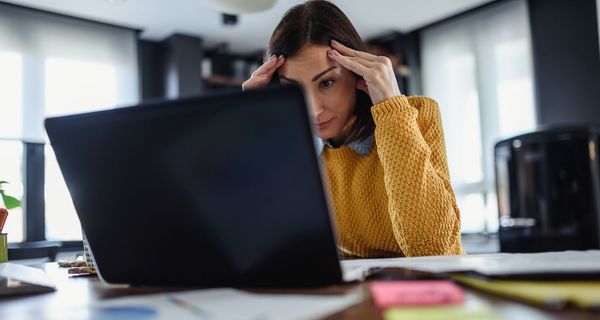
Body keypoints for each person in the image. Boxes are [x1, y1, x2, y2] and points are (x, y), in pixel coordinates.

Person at [242, 0, 464, 258]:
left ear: (357, 74)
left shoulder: (417, 115)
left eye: (326, 82)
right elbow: (263, 247)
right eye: (294, 89)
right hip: (360, 292)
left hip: (442, 290)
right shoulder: (296, 148)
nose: (313, 110)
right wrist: (251, 124)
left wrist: (392, 109)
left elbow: (433, 250)